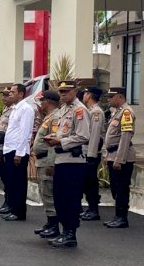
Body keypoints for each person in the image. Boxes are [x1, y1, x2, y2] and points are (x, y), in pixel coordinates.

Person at [43, 80, 90, 248]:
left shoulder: (80, 110)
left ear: (75, 91)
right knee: (60, 198)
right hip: (60, 159)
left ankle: (70, 233)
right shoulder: (63, 110)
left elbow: (83, 136)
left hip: (73, 161)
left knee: (70, 199)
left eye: (66, 91)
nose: (63, 94)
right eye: (61, 91)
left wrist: (60, 141)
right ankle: (64, 231)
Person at [103, 87, 137, 229]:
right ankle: (118, 215)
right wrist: (107, 156)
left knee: (122, 188)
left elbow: (125, 137)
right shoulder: (116, 112)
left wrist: (119, 159)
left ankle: (121, 217)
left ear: (120, 97)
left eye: (112, 97)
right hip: (112, 154)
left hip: (121, 156)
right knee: (115, 187)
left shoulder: (126, 112)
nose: (109, 99)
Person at [1, 83, 35, 222]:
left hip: (17, 150)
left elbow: (25, 132)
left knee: (18, 182)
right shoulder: (15, 108)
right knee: (11, 181)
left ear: (21, 94)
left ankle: (19, 212)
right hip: (10, 149)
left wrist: (19, 153)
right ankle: (13, 208)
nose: (10, 94)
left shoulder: (26, 109)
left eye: (13, 92)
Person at [32, 91, 62, 239]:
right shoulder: (48, 117)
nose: (40, 104)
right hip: (41, 160)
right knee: (45, 193)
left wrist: (51, 163)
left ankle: (54, 224)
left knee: (49, 194)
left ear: (48, 102)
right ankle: (50, 223)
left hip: (47, 161)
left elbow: (53, 143)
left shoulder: (55, 117)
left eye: (42, 101)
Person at [80, 86, 105, 221]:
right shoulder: (90, 111)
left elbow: (95, 135)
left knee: (91, 181)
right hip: (86, 151)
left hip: (91, 152)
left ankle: (93, 209)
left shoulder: (96, 112)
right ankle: (90, 208)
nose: (83, 96)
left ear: (89, 96)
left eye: (85, 94)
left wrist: (91, 155)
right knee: (87, 181)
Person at [0, 90, 13, 214]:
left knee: (9, 177)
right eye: (3, 96)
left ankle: (10, 203)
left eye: (7, 96)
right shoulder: (5, 109)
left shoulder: (14, 110)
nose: (4, 98)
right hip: (1, 146)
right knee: (3, 176)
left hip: (8, 145)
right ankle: (7, 201)